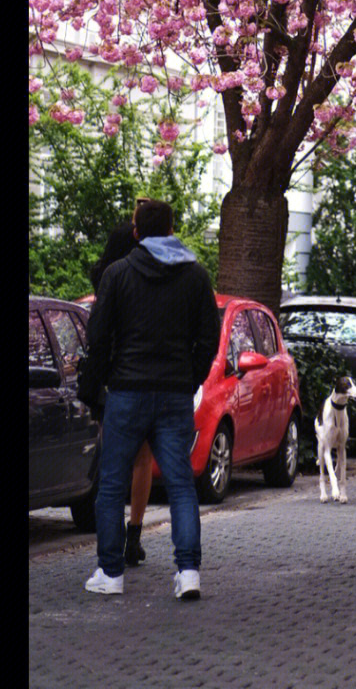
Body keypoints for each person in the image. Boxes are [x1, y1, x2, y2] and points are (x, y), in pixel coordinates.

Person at [81, 197, 220, 599]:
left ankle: (110, 573)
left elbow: (98, 335)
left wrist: (108, 379)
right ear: (172, 230)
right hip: (175, 393)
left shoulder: (118, 274)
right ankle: (189, 571)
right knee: (181, 485)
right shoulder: (196, 276)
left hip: (127, 391)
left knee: (111, 486)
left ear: (137, 232)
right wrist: (189, 378)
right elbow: (208, 338)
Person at [88, 221, 154, 568]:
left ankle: (112, 534)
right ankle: (134, 534)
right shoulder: (141, 280)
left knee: (110, 458)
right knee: (141, 457)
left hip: (109, 377)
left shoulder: (104, 279)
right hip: (139, 375)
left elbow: (97, 333)